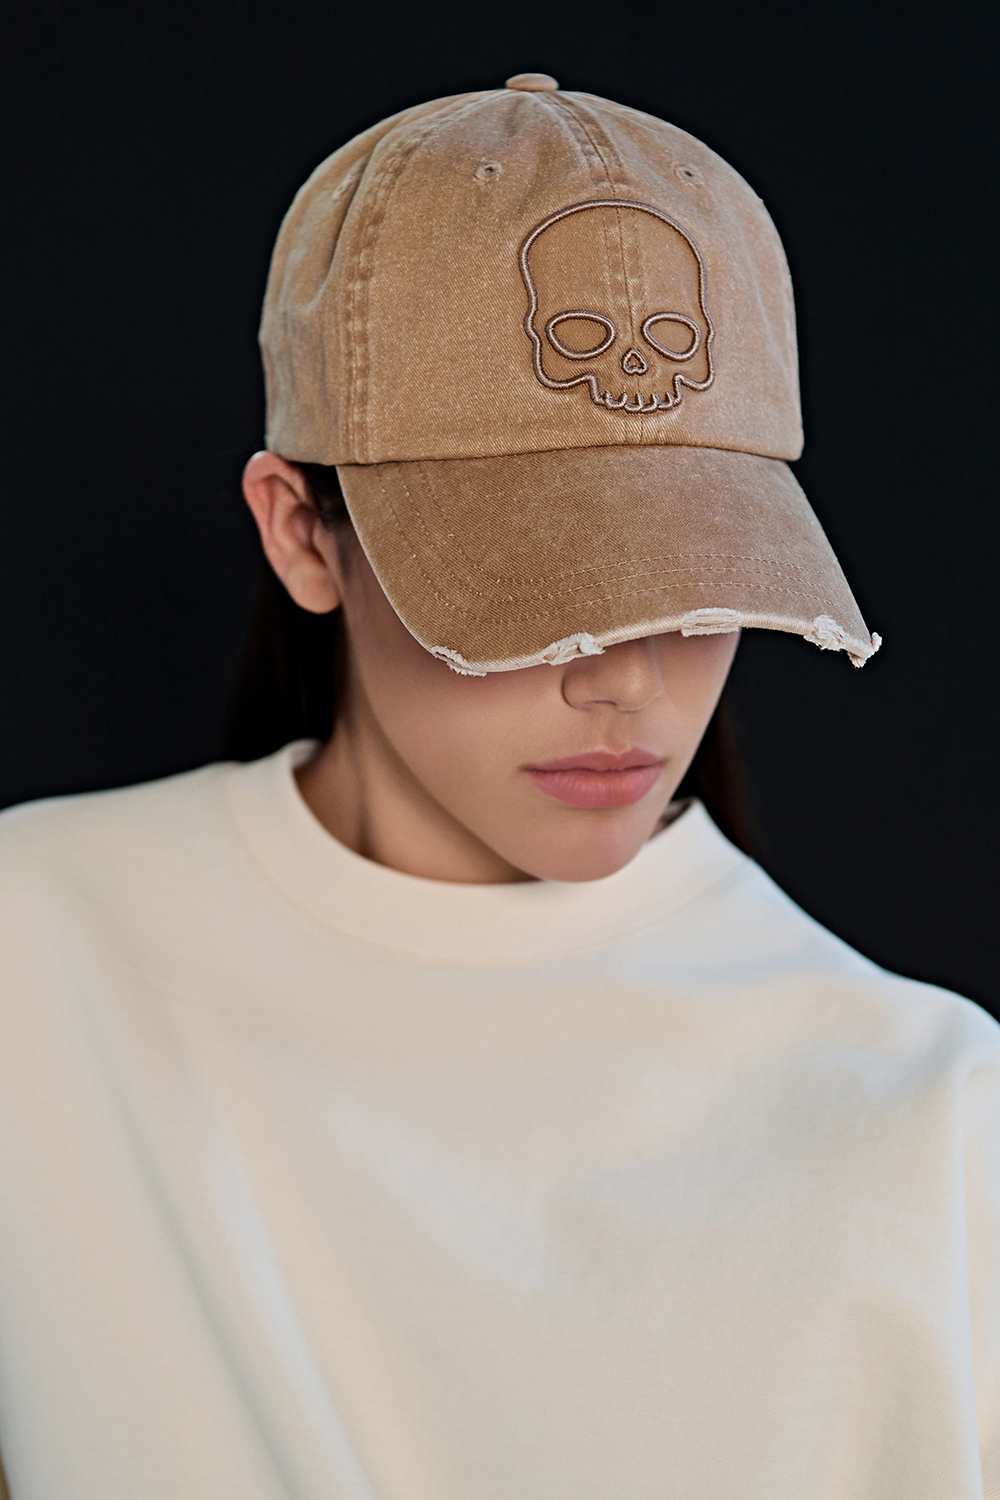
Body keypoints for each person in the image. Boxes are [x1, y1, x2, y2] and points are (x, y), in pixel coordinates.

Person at [0, 72, 996, 1500]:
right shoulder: (37, 950)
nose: (626, 678)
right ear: (302, 533)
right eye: (532, 585)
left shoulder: (936, 1115)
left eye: (694, 575)